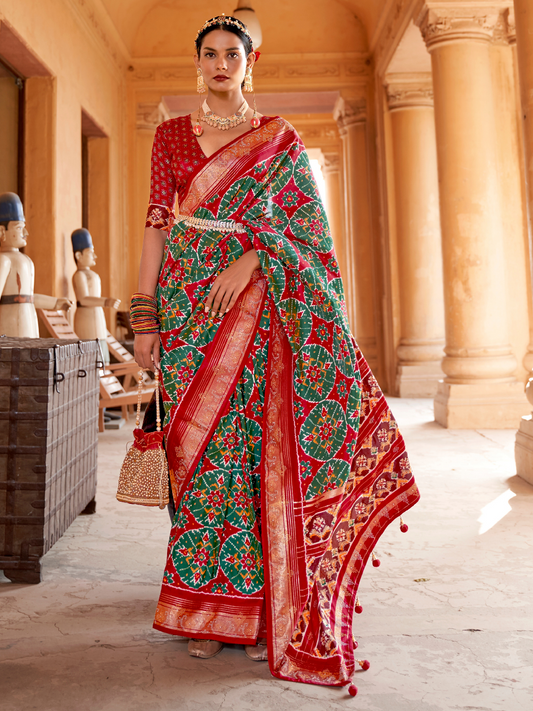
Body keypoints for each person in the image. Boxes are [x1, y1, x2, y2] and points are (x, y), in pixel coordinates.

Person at [132, 14, 420, 694]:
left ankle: (261, 605)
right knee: (197, 454)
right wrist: (143, 315)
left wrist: (255, 257)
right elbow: (154, 224)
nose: (220, 64)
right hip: (186, 310)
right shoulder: (171, 134)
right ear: (197, 62)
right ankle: (206, 610)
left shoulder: (281, 141)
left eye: (232, 53)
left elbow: (310, 234)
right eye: (209, 54)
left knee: (250, 448)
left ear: (248, 61)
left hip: (260, 308)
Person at [0, 192, 71, 337]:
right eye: (19, 228)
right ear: (2, 231)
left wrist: (55, 303)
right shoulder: (4, 260)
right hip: (10, 329)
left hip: (29, 325)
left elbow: (28, 298)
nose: (25, 232)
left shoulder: (24, 260)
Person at [71, 228, 121, 364]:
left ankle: (105, 381)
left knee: (102, 357)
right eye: (90, 252)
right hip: (85, 321)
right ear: (78, 256)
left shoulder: (93, 275)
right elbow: (83, 299)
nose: (94, 256)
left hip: (98, 320)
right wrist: (105, 301)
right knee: (90, 360)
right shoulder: (79, 275)